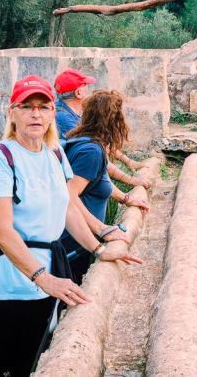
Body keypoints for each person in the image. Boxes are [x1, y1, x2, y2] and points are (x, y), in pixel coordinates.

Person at [0, 75, 142, 376]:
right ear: (12, 112)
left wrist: (99, 248)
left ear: (52, 112)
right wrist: (44, 278)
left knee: (30, 363)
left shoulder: (55, 154)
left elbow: (67, 208)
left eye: (43, 106)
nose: (36, 114)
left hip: (43, 283)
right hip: (5, 284)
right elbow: (0, 230)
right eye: (27, 106)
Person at [63, 90, 150, 282]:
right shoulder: (91, 152)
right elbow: (68, 195)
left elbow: (102, 181)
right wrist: (102, 229)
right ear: (113, 120)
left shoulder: (85, 142)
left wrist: (127, 198)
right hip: (74, 242)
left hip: (79, 241)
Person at [53, 69, 152, 190]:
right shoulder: (64, 119)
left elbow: (100, 142)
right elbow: (96, 154)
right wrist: (131, 180)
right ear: (78, 93)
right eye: (85, 86)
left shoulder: (69, 111)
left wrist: (129, 162)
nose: (88, 90)